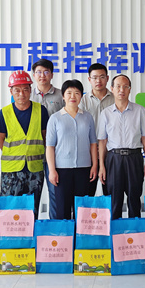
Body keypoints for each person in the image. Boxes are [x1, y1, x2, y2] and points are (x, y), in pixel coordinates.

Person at [0, 70, 49, 219]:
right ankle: (9, 235)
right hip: (11, 170)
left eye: (25, 89)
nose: (21, 94)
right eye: (17, 90)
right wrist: (15, 153)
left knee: (31, 210)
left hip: (35, 168)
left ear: (31, 90)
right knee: (9, 209)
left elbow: (45, 137)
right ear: (11, 91)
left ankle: (30, 234)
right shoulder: (4, 113)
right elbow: (0, 139)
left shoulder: (41, 111)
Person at [98, 74, 145, 219]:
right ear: (112, 89)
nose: (121, 90)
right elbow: (102, 141)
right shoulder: (106, 113)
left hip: (134, 158)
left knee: (134, 198)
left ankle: (134, 231)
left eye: (125, 86)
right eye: (118, 86)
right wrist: (102, 166)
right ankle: (115, 231)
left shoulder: (140, 110)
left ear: (130, 89)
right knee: (114, 200)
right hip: (113, 159)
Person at [46, 80, 98, 219]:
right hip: (62, 170)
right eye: (69, 93)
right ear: (63, 96)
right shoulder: (55, 118)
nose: (72, 96)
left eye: (77, 93)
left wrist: (94, 165)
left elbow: (93, 143)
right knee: (62, 210)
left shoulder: (87, 117)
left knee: (82, 210)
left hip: (84, 169)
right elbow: (50, 146)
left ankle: (80, 234)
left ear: (81, 96)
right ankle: (64, 234)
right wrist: (52, 170)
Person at [29, 58, 63, 218]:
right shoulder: (27, 94)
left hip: (56, 152)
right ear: (33, 75)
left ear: (52, 74)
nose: (42, 75)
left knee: (55, 193)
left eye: (46, 72)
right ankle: (30, 227)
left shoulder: (61, 95)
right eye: (38, 72)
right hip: (33, 151)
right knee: (31, 194)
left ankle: (55, 228)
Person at [79, 63, 115, 196]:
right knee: (87, 193)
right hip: (89, 153)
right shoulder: (82, 101)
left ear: (107, 78)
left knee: (110, 192)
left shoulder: (116, 99)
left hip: (110, 152)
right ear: (89, 79)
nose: (98, 81)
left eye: (102, 77)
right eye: (94, 77)